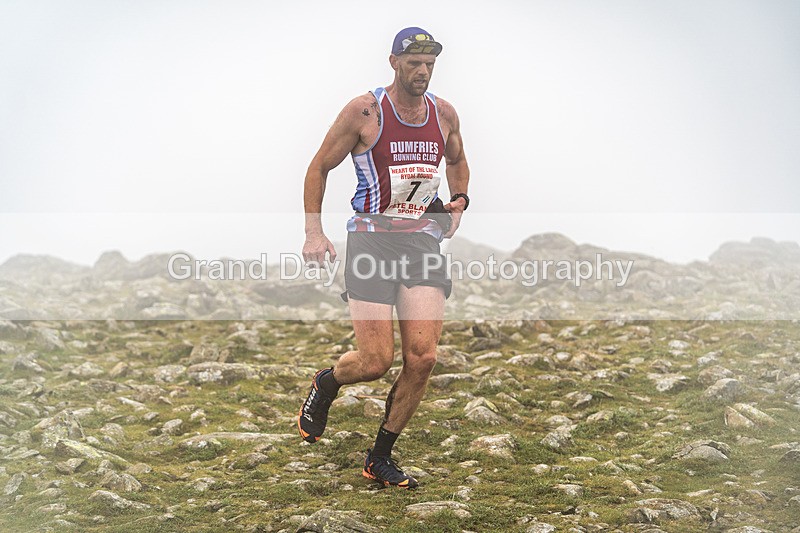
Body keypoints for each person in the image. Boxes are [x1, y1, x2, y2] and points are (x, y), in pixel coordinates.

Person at [297, 26, 470, 489]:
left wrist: (459, 201)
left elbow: (457, 160)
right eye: (414, 63)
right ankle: (327, 382)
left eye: (430, 63)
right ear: (394, 62)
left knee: (423, 357)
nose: (423, 71)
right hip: (371, 241)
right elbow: (319, 166)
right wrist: (314, 231)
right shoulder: (365, 111)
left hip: (421, 242)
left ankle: (379, 457)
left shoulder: (444, 114)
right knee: (375, 362)